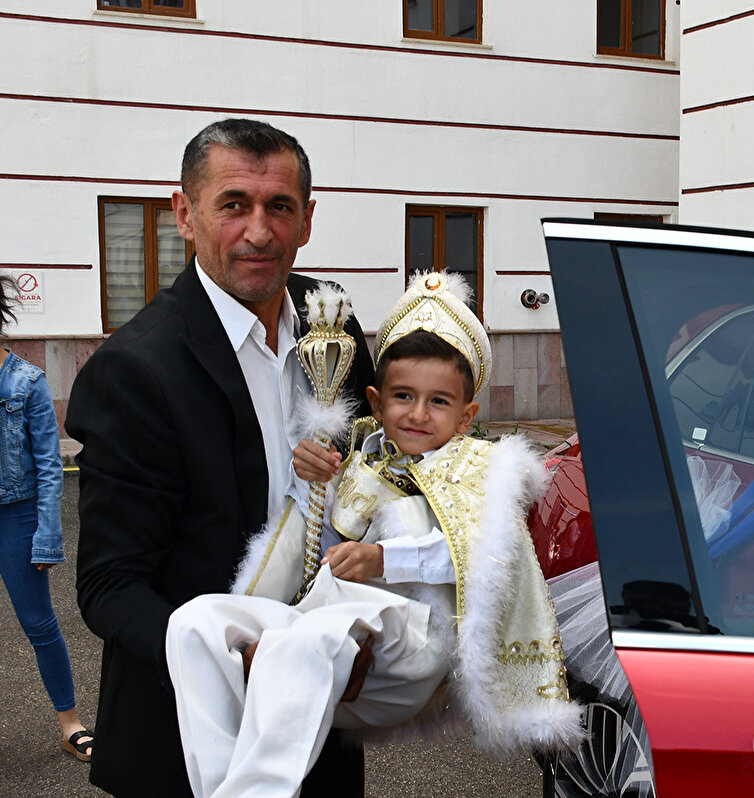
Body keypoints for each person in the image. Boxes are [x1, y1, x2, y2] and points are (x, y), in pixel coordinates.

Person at [166, 271, 585, 797]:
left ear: (466, 416)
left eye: (439, 401)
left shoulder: (479, 469)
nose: (417, 414)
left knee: (310, 641)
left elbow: (480, 555)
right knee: (195, 623)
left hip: (414, 639)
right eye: (403, 396)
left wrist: (384, 559)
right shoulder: (361, 460)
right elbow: (313, 544)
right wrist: (311, 483)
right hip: (331, 615)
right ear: (376, 400)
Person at [65, 118, 375, 797]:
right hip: (187, 738)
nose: (259, 232)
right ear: (185, 214)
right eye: (233, 204)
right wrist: (236, 657)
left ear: (308, 219)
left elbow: (369, 487)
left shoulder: (334, 324)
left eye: (279, 207)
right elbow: (111, 588)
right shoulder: (136, 371)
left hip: (322, 725)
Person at [0, 275, 94, 762]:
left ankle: (70, 722)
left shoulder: (27, 381)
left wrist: (46, 538)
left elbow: (49, 467)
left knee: (39, 624)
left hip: (16, 517)